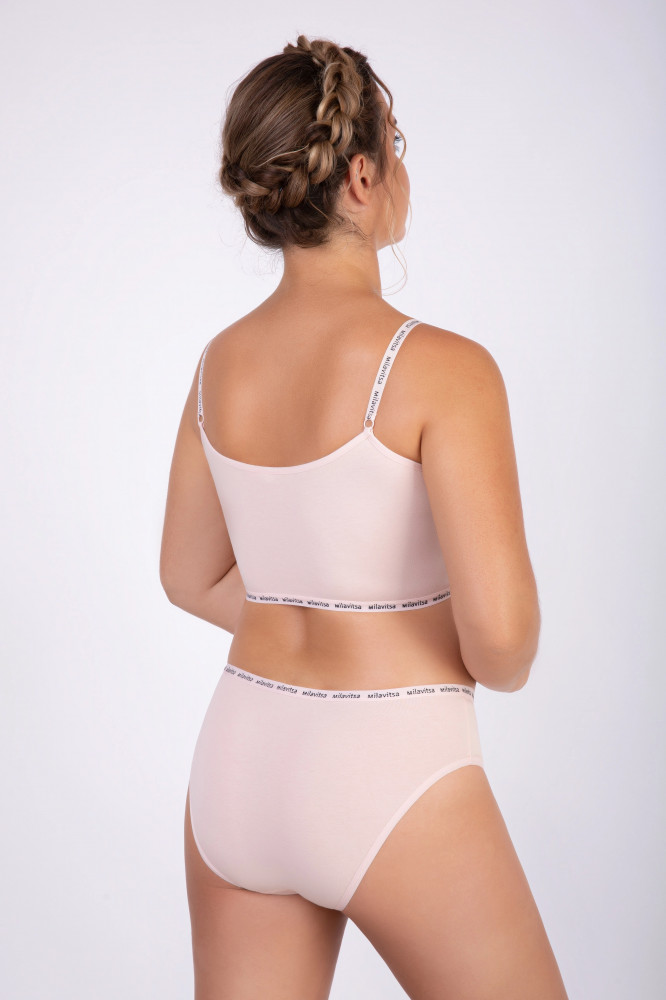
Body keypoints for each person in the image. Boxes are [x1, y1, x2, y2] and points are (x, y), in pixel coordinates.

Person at [160, 34, 569, 1000]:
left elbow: (187, 576)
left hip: (241, 761)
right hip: (391, 762)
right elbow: (503, 646)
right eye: (399, 148)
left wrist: (305, 618)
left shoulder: (220, 366)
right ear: (360, 176)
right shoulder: (445, 370)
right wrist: (400, 632)